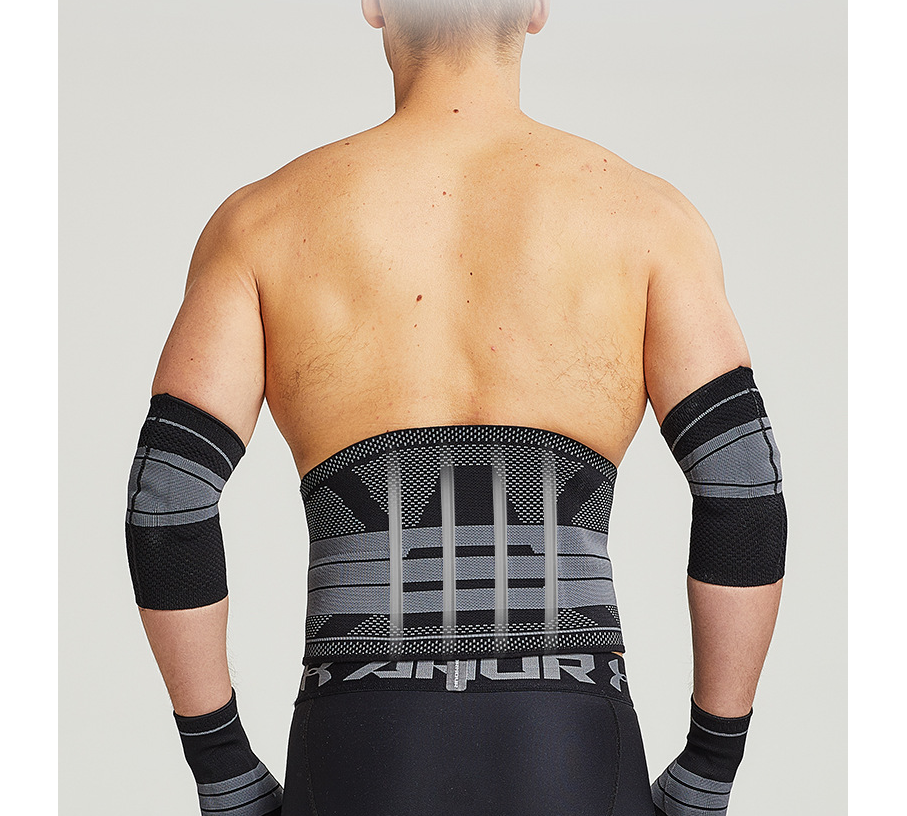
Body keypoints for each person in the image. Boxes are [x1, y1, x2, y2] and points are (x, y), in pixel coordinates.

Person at [124, 1, 786, 814]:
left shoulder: (263, 222)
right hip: (570, 748)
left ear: (374, 5)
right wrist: (709, 768)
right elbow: (742, 490)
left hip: (357, 747)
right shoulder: (648, 219)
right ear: (536, 9)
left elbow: (169, 502)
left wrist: (222, 767)